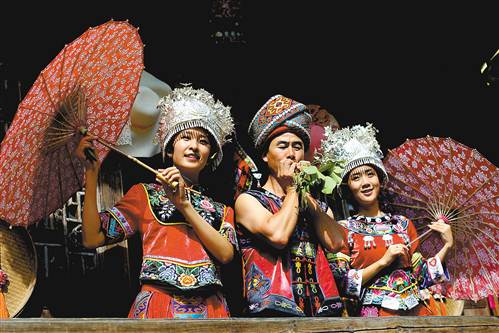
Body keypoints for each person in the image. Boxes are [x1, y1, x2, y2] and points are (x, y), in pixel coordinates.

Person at [75, 85, 238, 319]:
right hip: (158, 303)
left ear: (211, 154)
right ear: (170, 150)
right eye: (185, 137)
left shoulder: (221, 210)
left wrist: (184, 206)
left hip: (210, 307)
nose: (194, 146)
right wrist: (91, 174)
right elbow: (93, 238)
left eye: (203, 141)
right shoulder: (144, 195)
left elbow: (225, 255)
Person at [321, 123, 453, 317]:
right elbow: (342, 283)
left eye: (370, 174)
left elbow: (424, 277)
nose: (365, 182)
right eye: (356, 178)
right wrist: (383, 262)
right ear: (348, 187)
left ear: (380, 180)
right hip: (375, 317)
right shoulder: (343, 229)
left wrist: (448, 245)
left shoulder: (402, 224)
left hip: (417, 313)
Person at [235, 94, 345, 317]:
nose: (291, 153)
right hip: (274, 311)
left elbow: (337, 243)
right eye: (282, 146)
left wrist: (306, 193)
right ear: (265, 155)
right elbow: (278, 236)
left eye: (298, 146)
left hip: (320, 312)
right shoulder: (249, 200)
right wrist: (293, 188)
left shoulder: (314, 204)